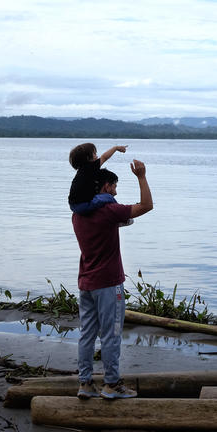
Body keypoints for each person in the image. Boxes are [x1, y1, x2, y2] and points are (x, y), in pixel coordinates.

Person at [71, 159, 154, 399]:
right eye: (114, 187)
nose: (116, 192)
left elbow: (121, 220)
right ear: (106, 186)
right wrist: (141, 176)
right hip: (108, 283)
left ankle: (85, 383)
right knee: (112, 333)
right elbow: (147, 205)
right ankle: (111, 384)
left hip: (86, 282)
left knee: (87, 334)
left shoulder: (78, 215)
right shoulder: (108, 211)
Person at [68, 143, 128, 215]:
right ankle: (120, 214)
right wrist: (116, 148)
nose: (97, 156)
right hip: (83, 206)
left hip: (73, 206)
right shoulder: (91, 167)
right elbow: (105, 157)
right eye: (94, 153)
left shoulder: (80, 172)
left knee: (99, 198)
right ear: (88, 158)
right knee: (108, 197)